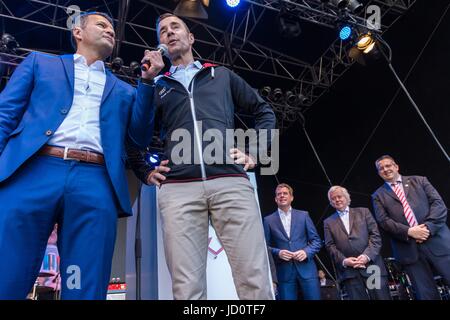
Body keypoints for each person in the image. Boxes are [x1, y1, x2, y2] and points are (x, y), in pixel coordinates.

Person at [0, 11, 156, 299]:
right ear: (78, 32)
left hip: (94, 179)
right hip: (33, 171)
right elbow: (5, 115)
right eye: (102, 25)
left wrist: (147, 83)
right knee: (8, 272)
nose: (111, 30)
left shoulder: (125, 90)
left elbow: (139, 138)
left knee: (82, 280)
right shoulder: (39, 63)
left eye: (113, 28)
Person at [128, 13, 276, 300]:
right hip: (179, 190)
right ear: (159, 45)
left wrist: (256, 151)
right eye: (162, 32)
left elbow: (264, 111)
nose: (169, 33)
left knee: (254, 279)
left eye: (175, 27)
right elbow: (136, 137)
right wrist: (144, 171)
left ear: (191, 37)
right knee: (186, 288)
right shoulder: (157, 86)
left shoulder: (220, 75)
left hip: (231, 183)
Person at [372, 155, 450, 300]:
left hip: (437, 241)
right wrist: (409, 232)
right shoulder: (377, 196)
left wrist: (426, 228)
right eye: (381, 168)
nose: (385, 169)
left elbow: (439, 205)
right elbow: (383, 222)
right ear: (379, 173)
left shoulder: (420, 180)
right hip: (409, 249)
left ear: (396, 166)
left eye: (388, 165)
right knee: (425, 294)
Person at [324, 186, 391, 300]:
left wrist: (366, 256)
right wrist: (344, 261)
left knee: (380, 297)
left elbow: (375, 236)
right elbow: (330, 246)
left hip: (371, 266)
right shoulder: (328, 222)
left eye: (339, 196)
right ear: (331, 202)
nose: (337, 200)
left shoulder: (363, 212)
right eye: (333, 198)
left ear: (346, 197)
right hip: (349, 272)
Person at [263, 183, 322, 300]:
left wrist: (306, 252)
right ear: (275, 199)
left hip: (307, 270)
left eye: (285, 193)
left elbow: (316, 241)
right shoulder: (268, 220)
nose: (282, 196)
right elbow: (264, 247)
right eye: (279, 194)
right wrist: (278, 252)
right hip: (284, 273)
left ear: (291, 197)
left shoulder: (304, 215)